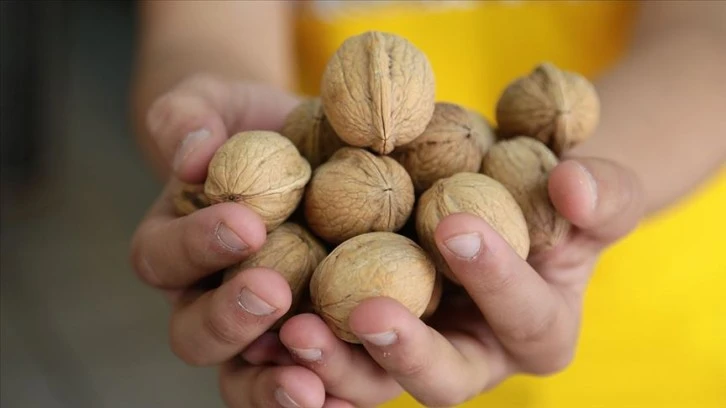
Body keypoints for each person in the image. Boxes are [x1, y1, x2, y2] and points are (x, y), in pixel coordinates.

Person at [129, 1, 726, 407]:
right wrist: (205, 130)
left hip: (655, 316)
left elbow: (708, 32)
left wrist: (572, 186)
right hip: (355, 360)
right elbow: (201, 31)